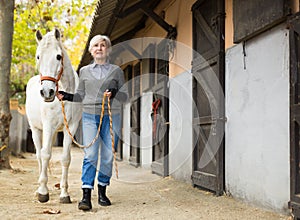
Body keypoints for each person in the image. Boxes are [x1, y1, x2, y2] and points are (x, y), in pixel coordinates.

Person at [57, 35, 128, 211]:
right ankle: (86, 195)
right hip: (89, 116)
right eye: (95, 45)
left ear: (108, 49)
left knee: (107, 155)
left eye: (103, 45)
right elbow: (81, 95)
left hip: (112, 115)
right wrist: (66, 96)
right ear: (91, 50)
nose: (99, 48)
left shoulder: (117, 71)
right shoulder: (85, 71)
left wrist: (115, 91)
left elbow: (125, 96)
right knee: (90, 154)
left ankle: (102, 191)